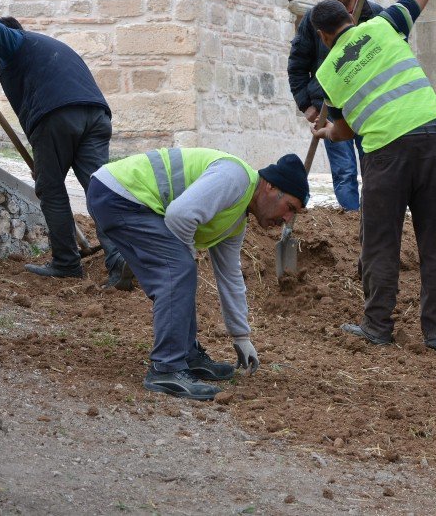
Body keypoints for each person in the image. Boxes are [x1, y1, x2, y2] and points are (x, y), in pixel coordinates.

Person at [309, 0, 436, 353]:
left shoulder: (328, 74)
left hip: (385, 155)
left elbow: (344, 129)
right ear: (349, 19)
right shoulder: (385, 24)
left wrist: (325, 131)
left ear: (324, 37)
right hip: (432, 139)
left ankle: (377, 327)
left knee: (380, 243)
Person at [86, 148, 309, 400]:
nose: (288, 219)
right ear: (269, 187)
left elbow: (230, 276)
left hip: (127, 199)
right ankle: (166, 368)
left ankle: (186, 355)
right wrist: (183, 261)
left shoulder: (236, 220)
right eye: (289, 207)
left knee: (181, 269)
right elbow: (180, 215)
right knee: (179, 270)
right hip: (121, 195)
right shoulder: (235, 179)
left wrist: (241, 336)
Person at [0, 17, 130, 289]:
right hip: (95, 115)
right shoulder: (47, 50)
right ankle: (119, 259)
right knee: (99, 189)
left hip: (58, 115)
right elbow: (32, 111)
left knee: (51, 190)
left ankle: (66, 263)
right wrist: (41, 158)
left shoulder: (18, 41)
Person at [287, 0, 384, 210]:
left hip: (368, 107)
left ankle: (371, 219)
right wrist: (305, 104)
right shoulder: (314, 19)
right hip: (328, 107)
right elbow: (297, 62)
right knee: (344, 171)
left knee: (373, 167)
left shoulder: (374, 17)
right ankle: (352, 222)